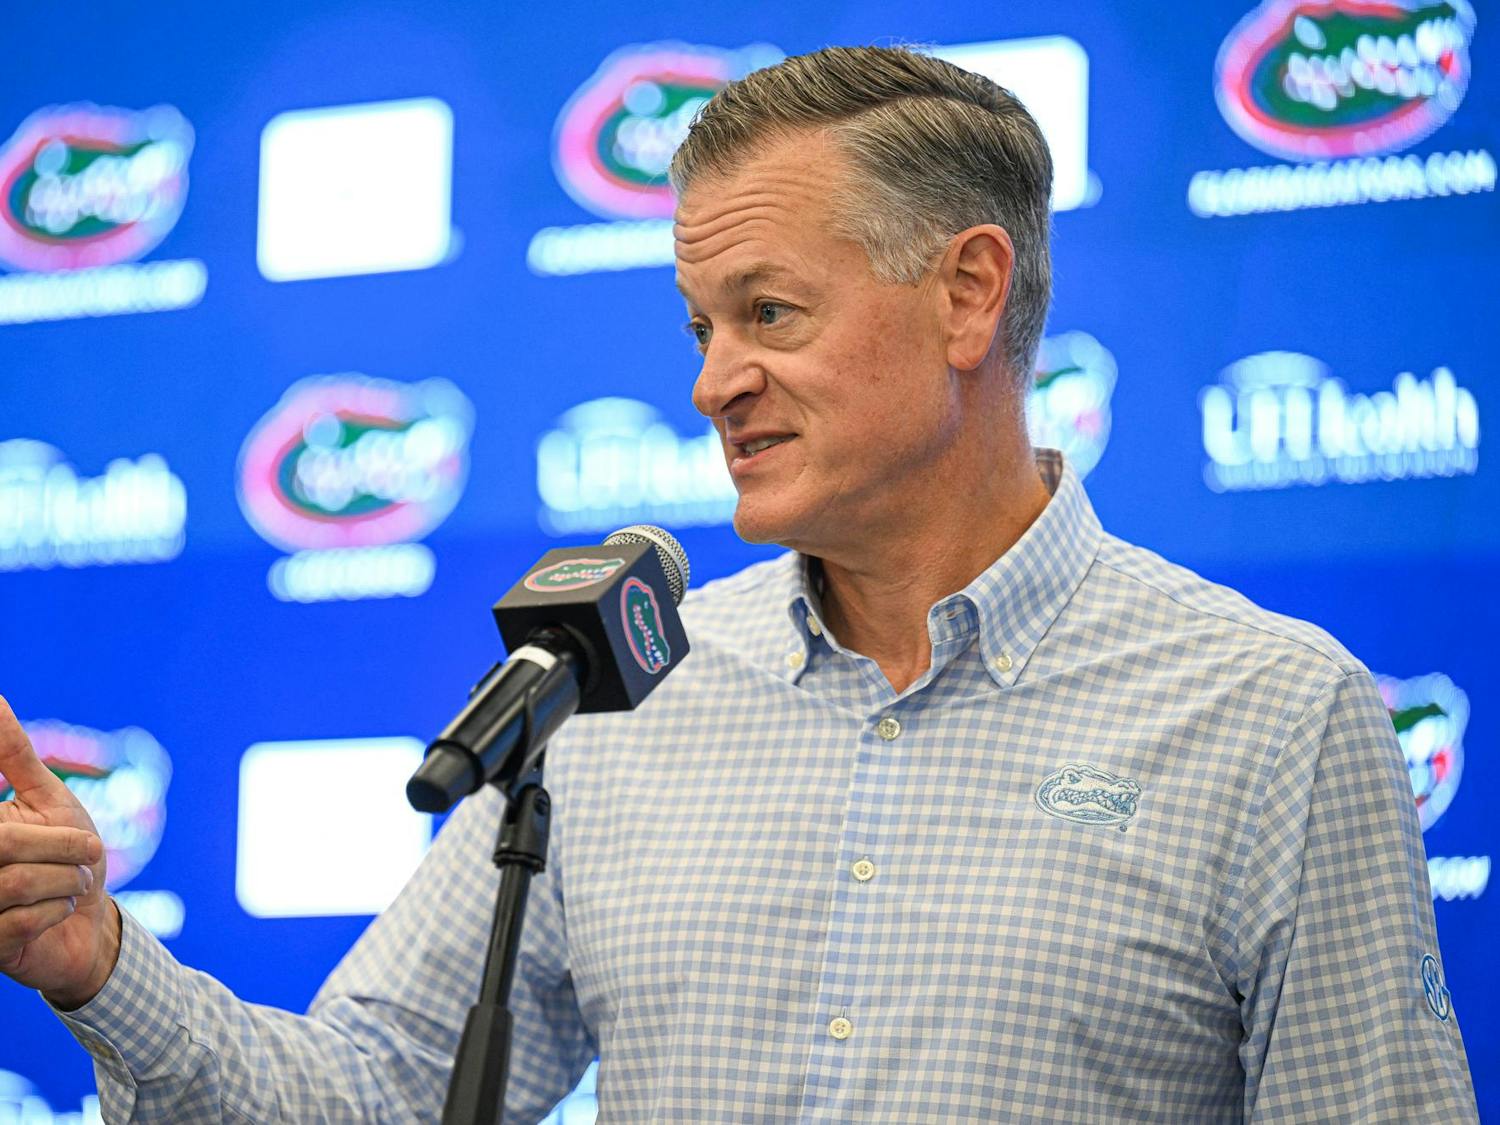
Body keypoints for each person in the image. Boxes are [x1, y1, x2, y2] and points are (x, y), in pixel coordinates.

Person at [0, 45, 1478, 1123]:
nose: (715, 382)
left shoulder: (1275, 715)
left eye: (768, 312)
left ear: (969, 292)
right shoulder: (617, 691)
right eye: (701, 323)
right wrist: (99, 960)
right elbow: (371, 1095)